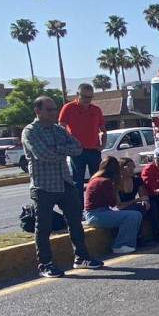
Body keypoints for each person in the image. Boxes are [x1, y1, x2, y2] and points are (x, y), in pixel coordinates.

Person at [22, 96, 103, 277]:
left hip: (65, 182)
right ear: (38, 111)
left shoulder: (59, 130)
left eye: (54, 109)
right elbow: (43, 154)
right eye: (49, 109)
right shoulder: (30, 131)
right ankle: (45, 263)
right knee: (43, 227)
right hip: (43, 185)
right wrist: (62, 150)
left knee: (75, 222)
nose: (54, 113)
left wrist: (57, 148)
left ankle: (82, 257)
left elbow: (77, 147)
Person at [83, 156, 142, 254]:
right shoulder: (105, 182)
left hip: (98, 212)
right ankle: (120, 245)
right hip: (96, 215)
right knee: (132, 216)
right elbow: (113, 203)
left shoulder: (98, 179)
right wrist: (115, 189)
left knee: (137, 214)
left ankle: (128, 243)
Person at [58, 83, 107, 189]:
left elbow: (103, 129)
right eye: (84, 96)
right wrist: (67, 145)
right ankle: (78, 205)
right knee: (77, 181)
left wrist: (103, 145)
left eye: (90, 97)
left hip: (94, 150)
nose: (87, 99)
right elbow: (61, 128)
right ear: (77, 94)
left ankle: (97, 204)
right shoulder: (68, 108)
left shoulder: (96, 110)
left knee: (97, 180)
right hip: (77, 151)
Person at [117, 157, 156, 242]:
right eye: (128, 166)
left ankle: (156, 234)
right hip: (121, 208)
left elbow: (143, 195)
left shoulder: (136, 180)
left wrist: (145, 201)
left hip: (132, 205)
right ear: (121, 168)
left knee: (152, 205)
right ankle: (137, 237)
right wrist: (136, 200)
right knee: (136, 210)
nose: (132, 169)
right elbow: (119, 205)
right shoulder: (116, 182)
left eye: (133, 166)